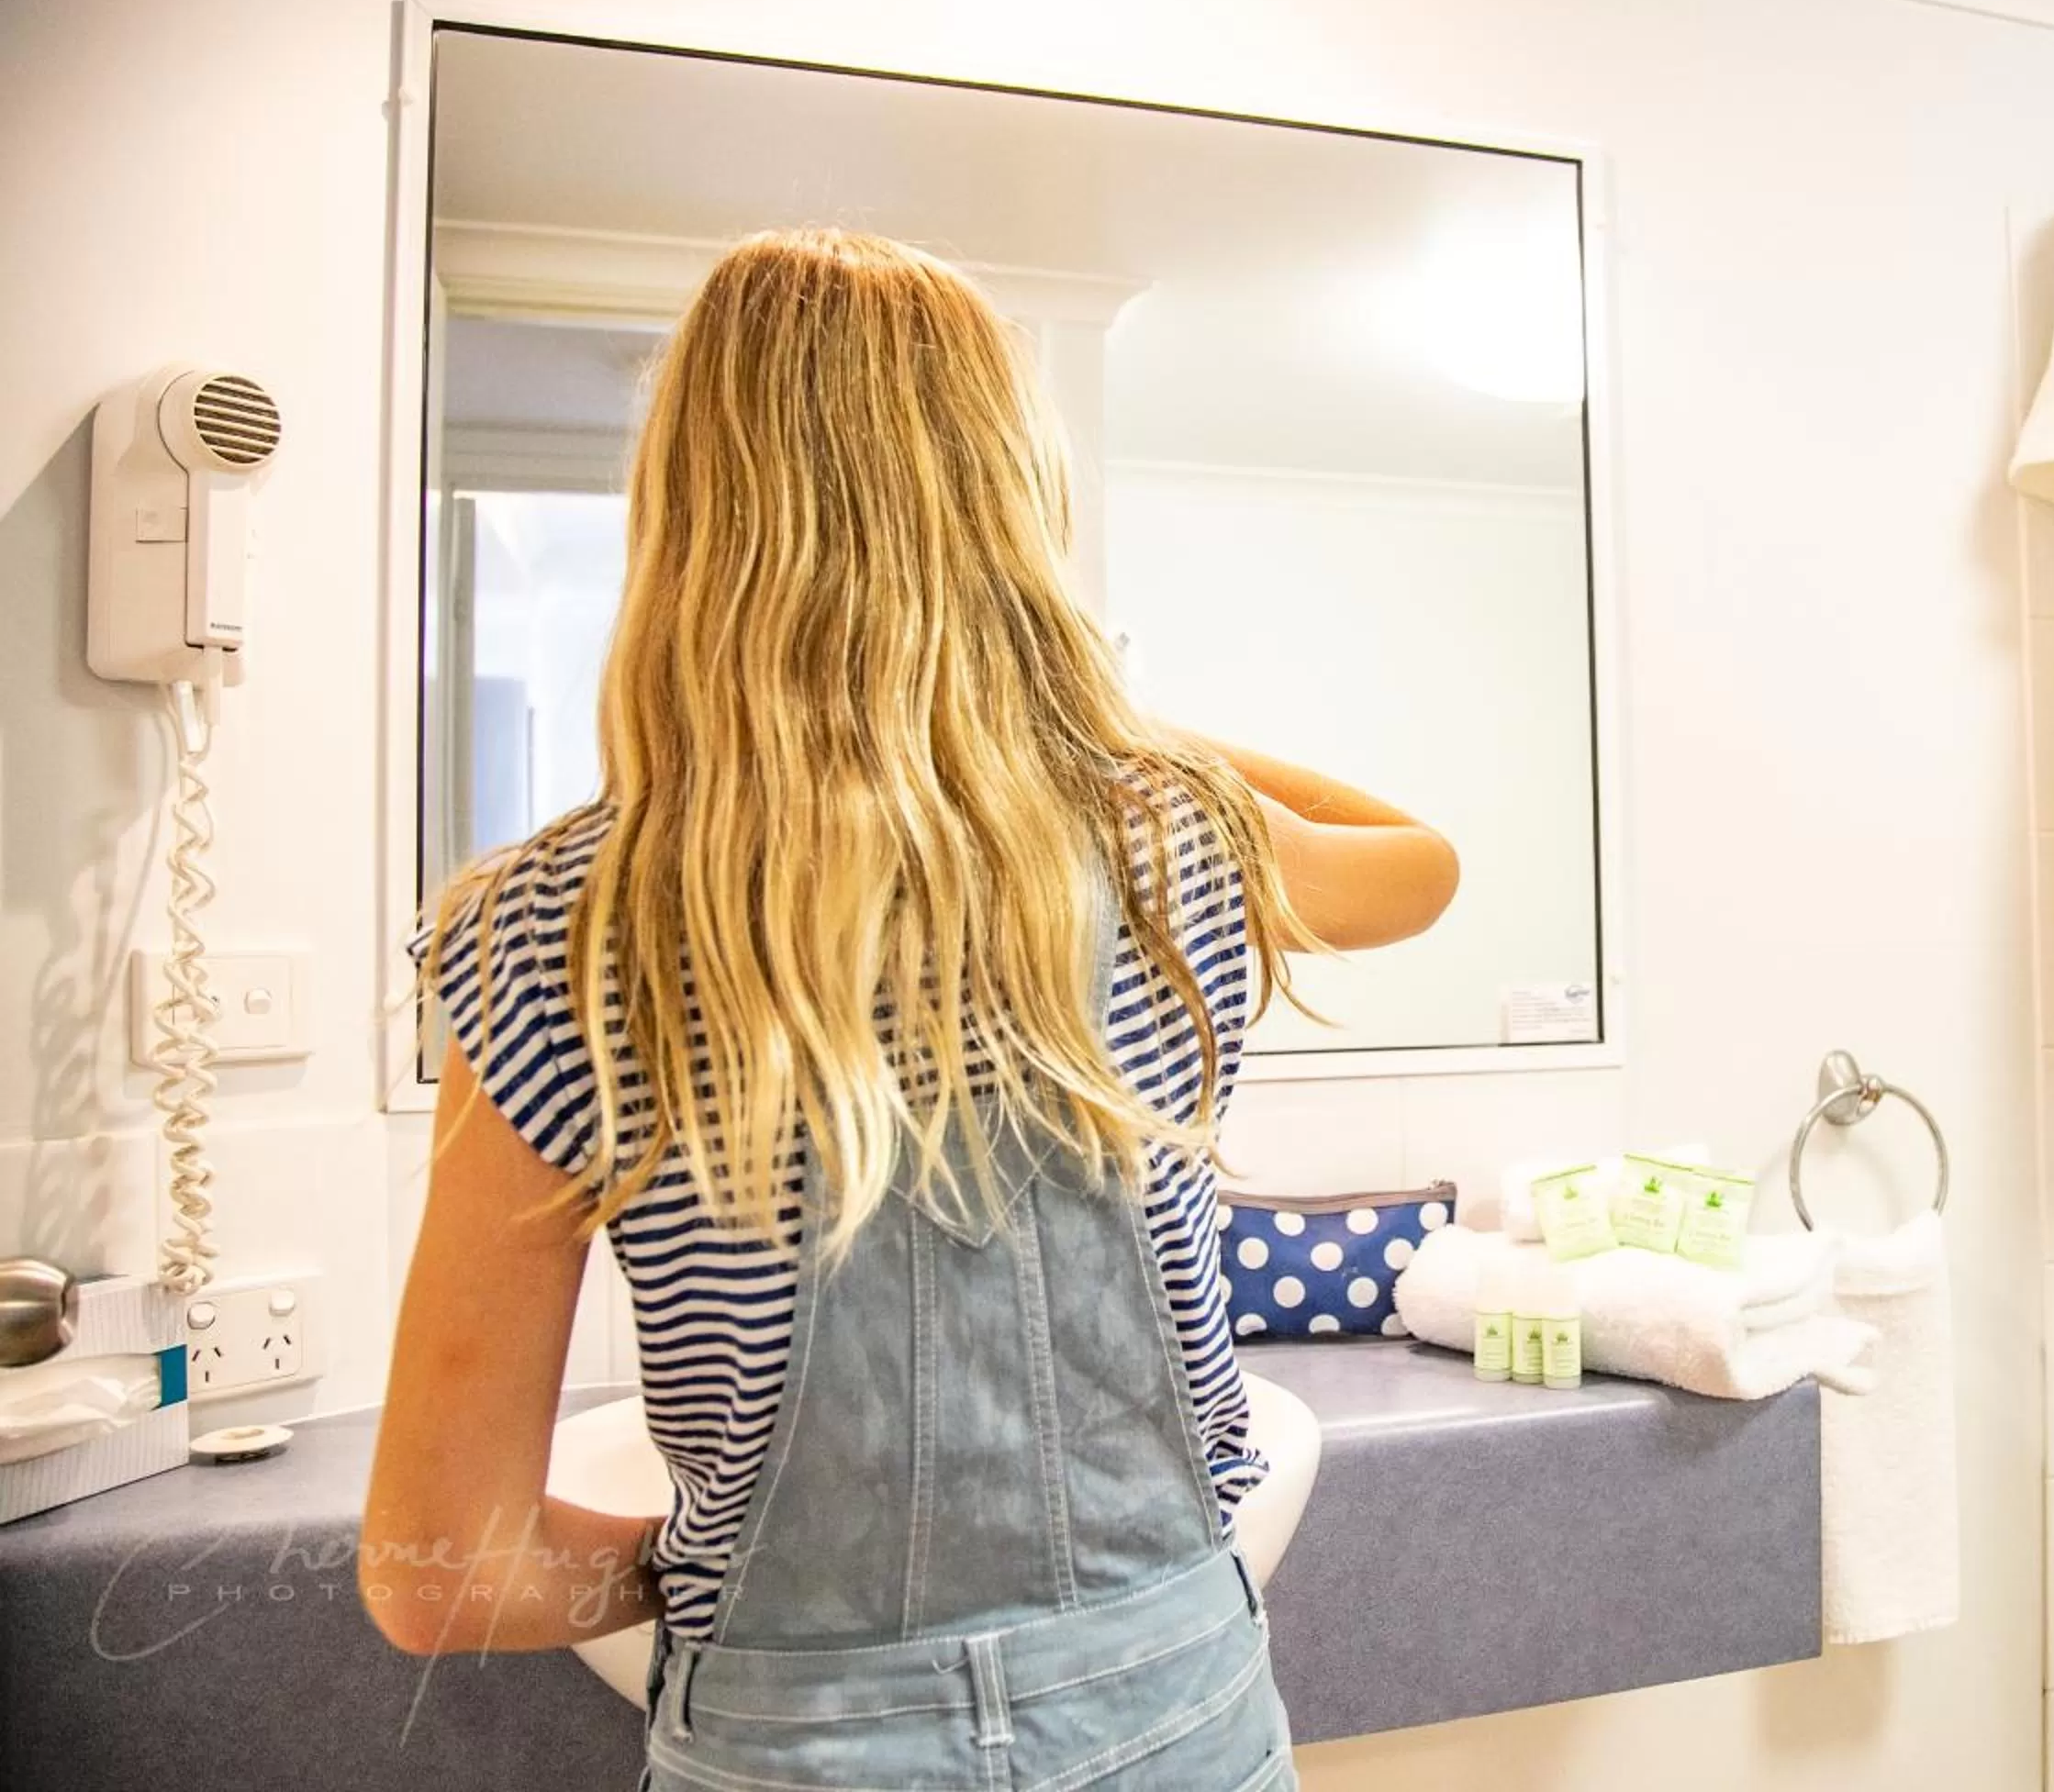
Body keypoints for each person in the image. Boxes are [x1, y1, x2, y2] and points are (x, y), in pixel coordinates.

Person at [362, 227, 1459, 1790]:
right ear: (1009, 512)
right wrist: (1086, 718)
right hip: (1180, 1728)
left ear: (689, 508)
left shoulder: (548, 934)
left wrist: (707, 1586)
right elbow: (1419, 868)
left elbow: (436, 1569)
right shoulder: (1166, 843)